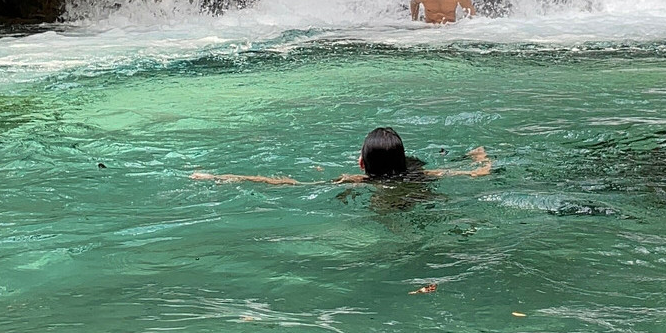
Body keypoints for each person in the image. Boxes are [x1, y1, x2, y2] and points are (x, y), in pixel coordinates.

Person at [190, 127, 491, 186]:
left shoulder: (356, 182)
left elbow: (285, 183)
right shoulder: (423, 175)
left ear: (362, 163)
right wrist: (479, 157)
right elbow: (479, 174)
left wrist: (220, 177)